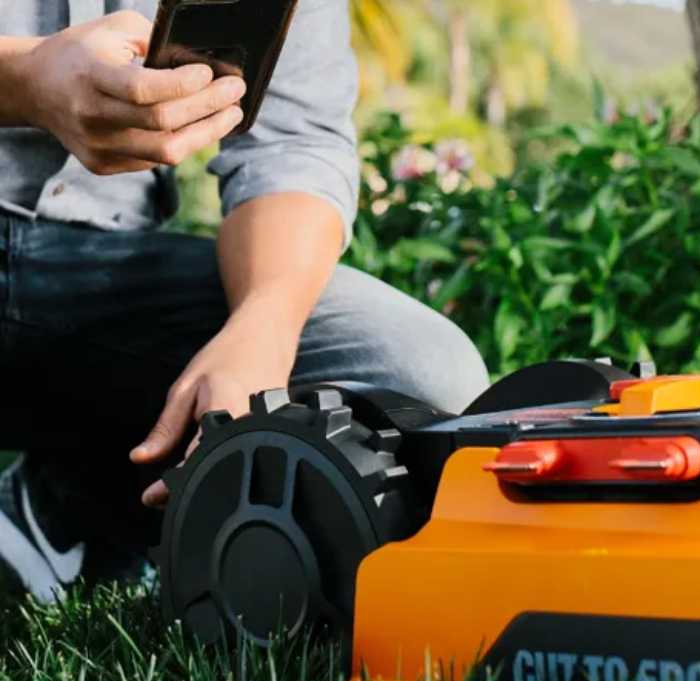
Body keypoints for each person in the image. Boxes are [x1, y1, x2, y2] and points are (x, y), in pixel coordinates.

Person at [0, 3, 490, 601]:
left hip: (102, 267)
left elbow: (289, 143)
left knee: (415, 373)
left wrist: (265, 321)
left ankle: (69, 503)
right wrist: (22, 82)